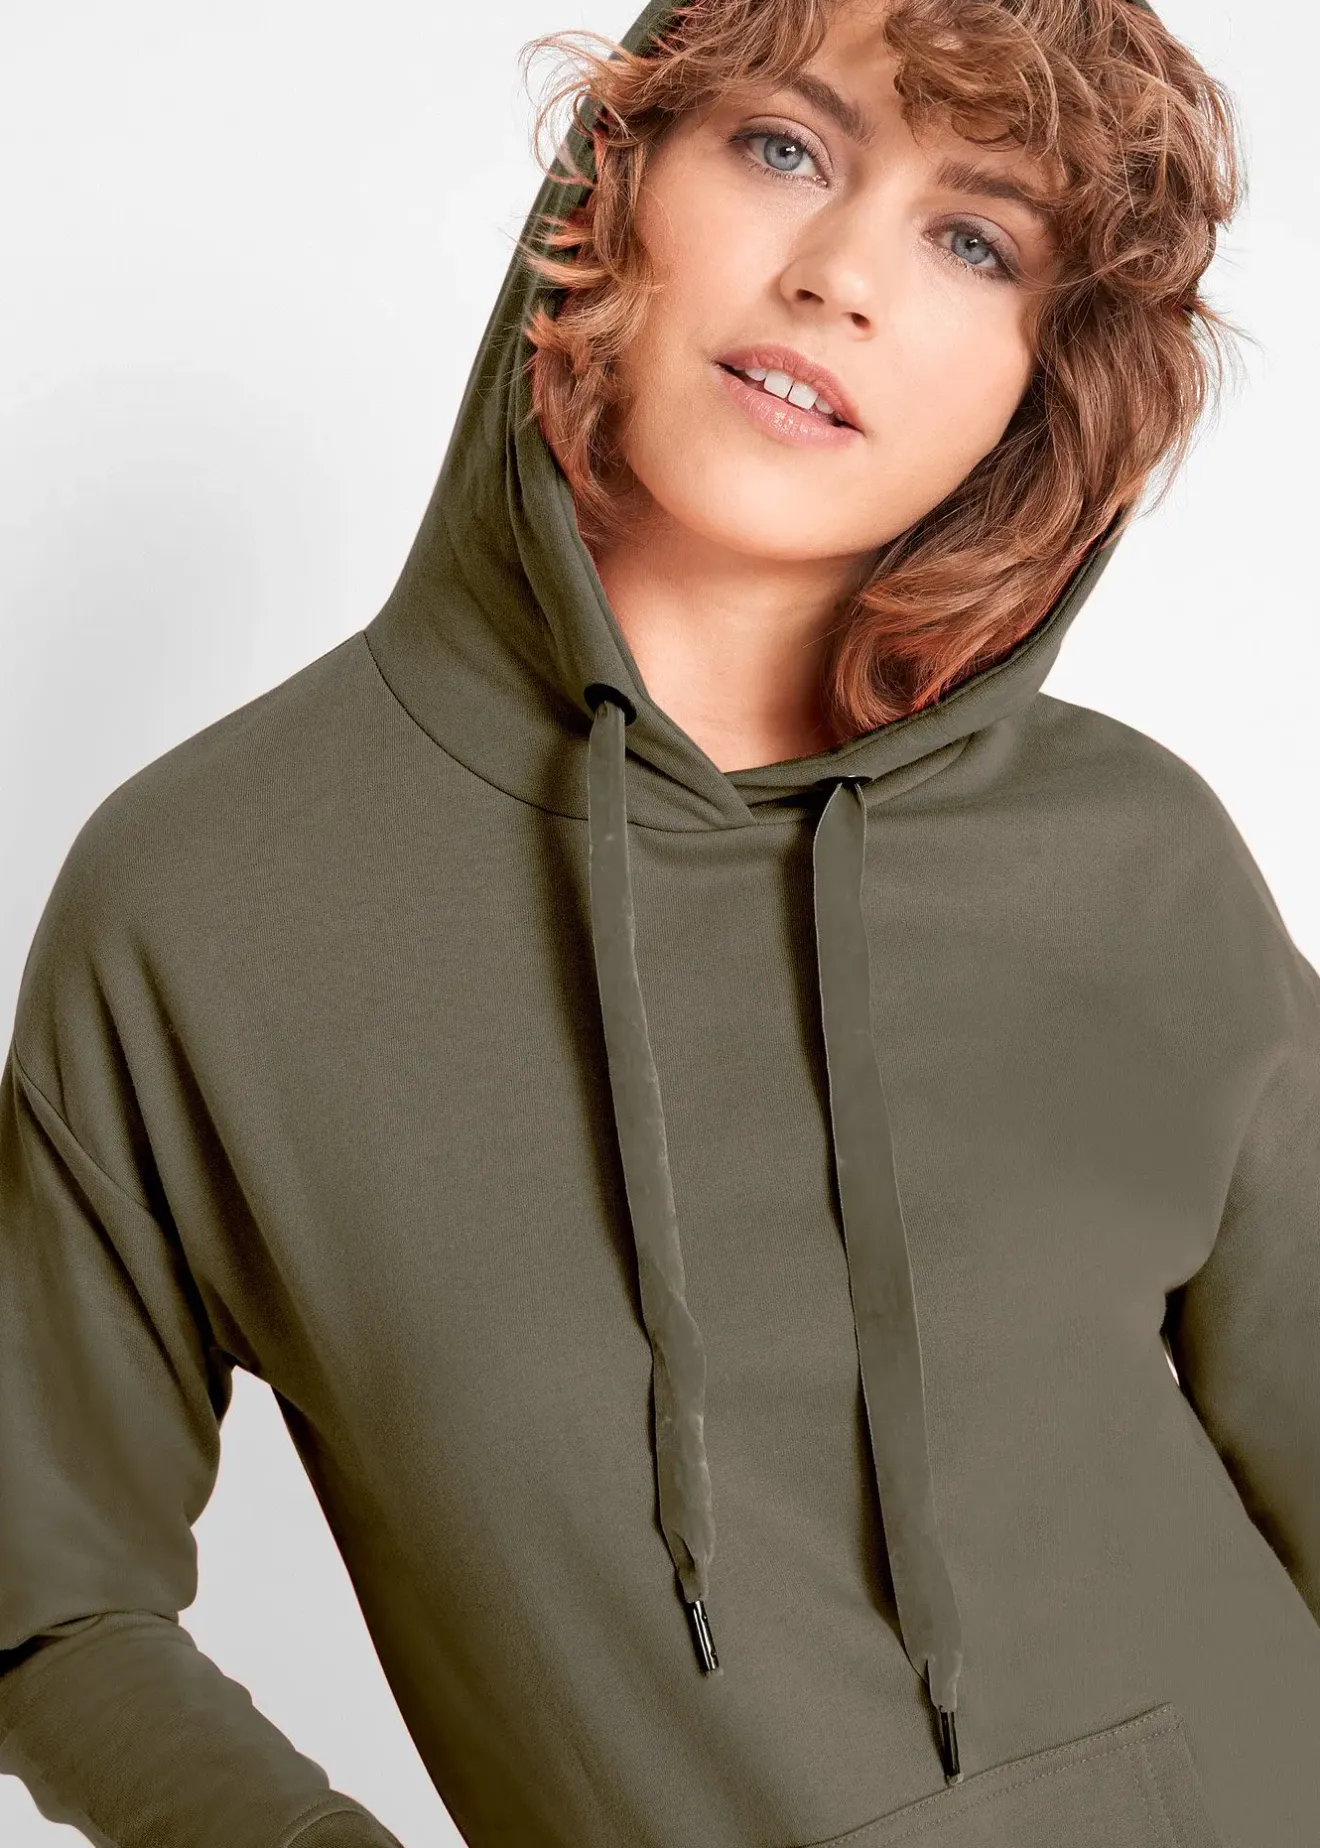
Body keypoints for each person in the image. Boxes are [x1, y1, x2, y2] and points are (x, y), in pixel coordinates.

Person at [0, 0, 1316, 1843]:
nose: (843, 275)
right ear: (611, 178)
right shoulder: (208, 899)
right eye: (785, 147)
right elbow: (46, 1605)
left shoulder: (1129, 859)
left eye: (974, 239)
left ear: (1043, 383)